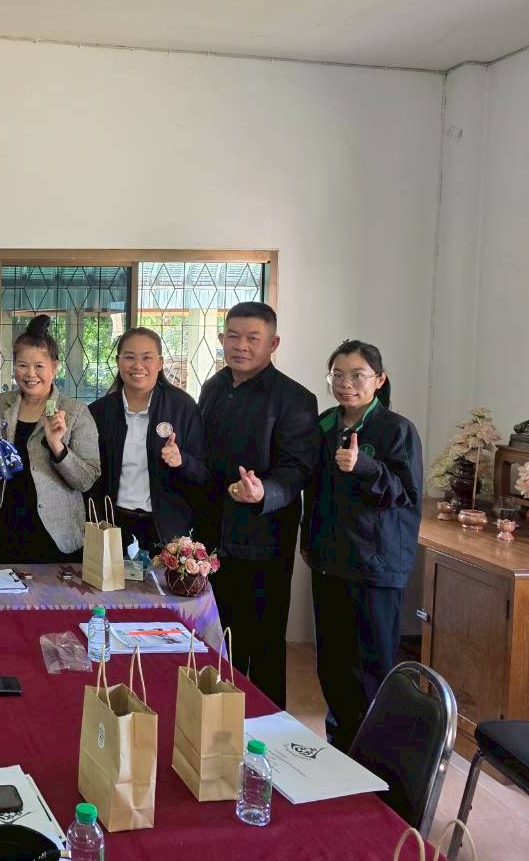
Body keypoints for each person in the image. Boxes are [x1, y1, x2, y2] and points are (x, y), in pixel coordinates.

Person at [197, 301, 318, 708]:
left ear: (273, 343)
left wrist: (264, 491)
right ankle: (213, 723)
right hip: (212, 540)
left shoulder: (294, 398)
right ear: (221, 338)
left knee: (262, 648)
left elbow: (298, 469)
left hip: (262, 541)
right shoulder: (213, 388)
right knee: (215, 641)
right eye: (233, 336)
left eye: (253, 338)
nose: (241, 346)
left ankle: (267, 730)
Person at [304, 340, 422, 751]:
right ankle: (341, 749)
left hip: (374, 567)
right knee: (332, 665)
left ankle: (375, 759)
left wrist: (365, 467)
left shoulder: (396, 430)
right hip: (328, 561)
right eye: (338, 375)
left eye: (357, 375)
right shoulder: (325, 425)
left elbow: (406, 494)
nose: (346, 384)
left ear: (379, 380)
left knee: (369, 670)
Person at [0, 315, 100, 562]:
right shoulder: (1, 403)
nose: (30, 374)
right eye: (22, 365)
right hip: (3, 526)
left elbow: (86, 481)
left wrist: (57, 446)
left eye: (39, 366)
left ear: (55, 366)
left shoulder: (75, 412)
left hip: (55, 535)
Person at [88, 327, 208, 555]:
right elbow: (89, 475)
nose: (138, 365)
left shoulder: (182, 407)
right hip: (112, 525)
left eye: (147, 358)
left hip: (166, 530)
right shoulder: (99, 412)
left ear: (160, 363)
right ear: (118, 361)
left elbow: (203, 473)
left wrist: (181, 460)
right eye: (129, 357)